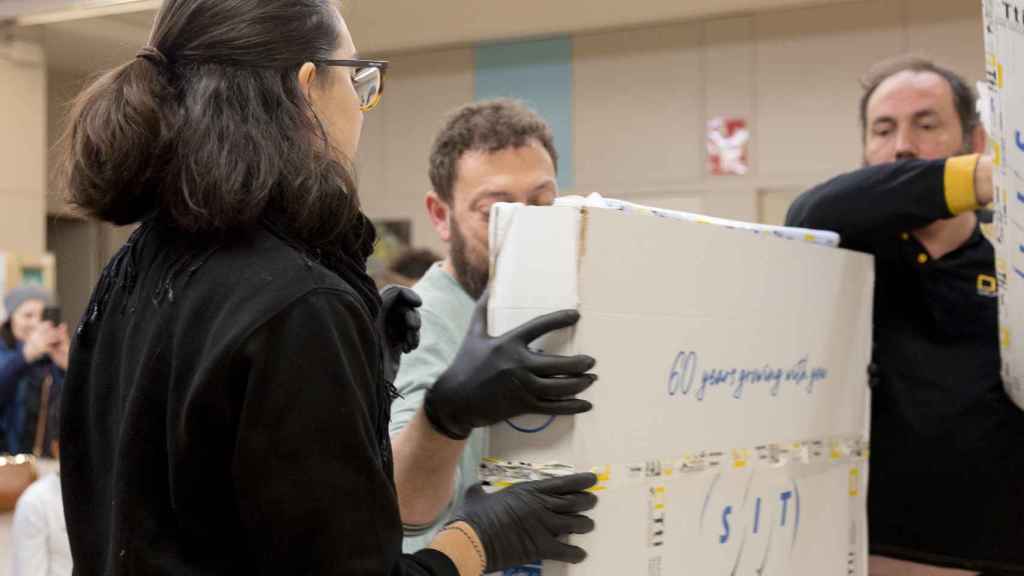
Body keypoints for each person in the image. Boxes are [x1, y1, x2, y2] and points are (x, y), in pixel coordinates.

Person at [56, 2, 597, 575]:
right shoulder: (297, 302)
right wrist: (480, 540)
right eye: (360, 80)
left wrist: (357, 383)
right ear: (309, 88)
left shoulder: (131, 269)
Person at [786, 56, 1024, 575]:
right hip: (862, 555)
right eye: (883, 129)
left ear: (975, 139)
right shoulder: (841, 254)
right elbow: (808, 212)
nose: (902, 145)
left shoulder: (1010, 275)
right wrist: (993, 178)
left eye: (926, 123)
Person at [390, 100, 598, 552]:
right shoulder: (421, 328)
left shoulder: (555, 308)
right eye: (495, 213)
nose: (525, 230)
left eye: (542, 204)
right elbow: (397, 502)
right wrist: (445, 417)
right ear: (441, 216)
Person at [0, 287, 66, 458]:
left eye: (41, 315)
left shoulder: (51, 357)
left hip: (45, 460)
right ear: (11, 318)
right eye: (27, 315)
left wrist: (68, 366)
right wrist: (25, 356)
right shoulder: (5, 352)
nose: (36, 323)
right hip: (8, 461)